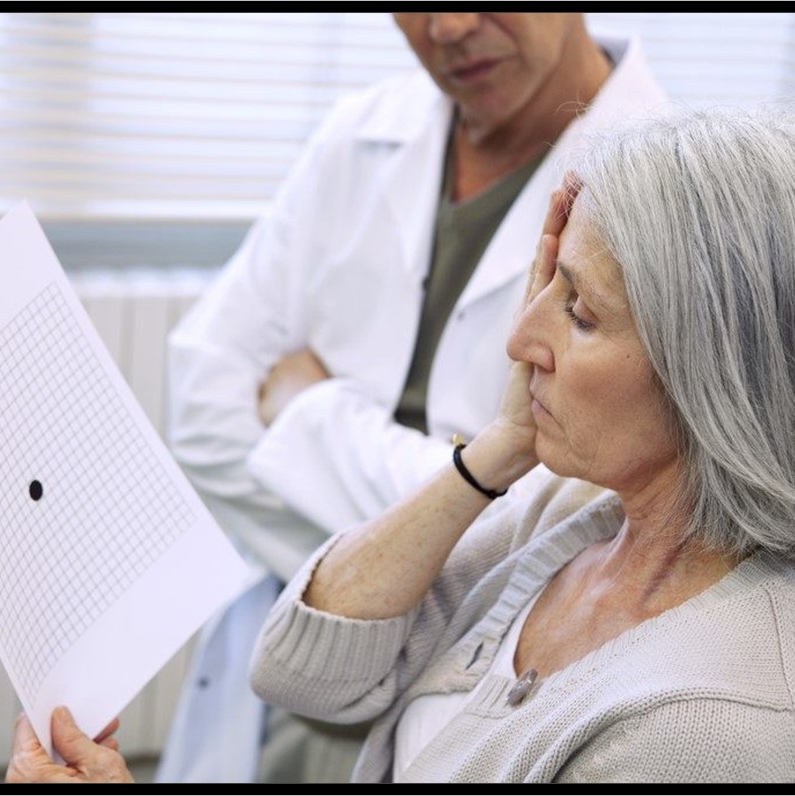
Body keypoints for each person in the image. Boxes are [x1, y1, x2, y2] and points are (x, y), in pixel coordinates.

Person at [6, 107, 795, 783]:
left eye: (576, 309)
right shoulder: (576, 512)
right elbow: (301, 671)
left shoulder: (710, 732)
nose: (521, 338)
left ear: (722, 381)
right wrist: (494, 448)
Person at [158, 13, 666, 783]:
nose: (450, 26)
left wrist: (307, 411)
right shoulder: (358, 134)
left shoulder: (676, 198)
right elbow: (201, 410)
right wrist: (459, 504)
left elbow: (582, 531)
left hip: (472, 721)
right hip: (284, 688)